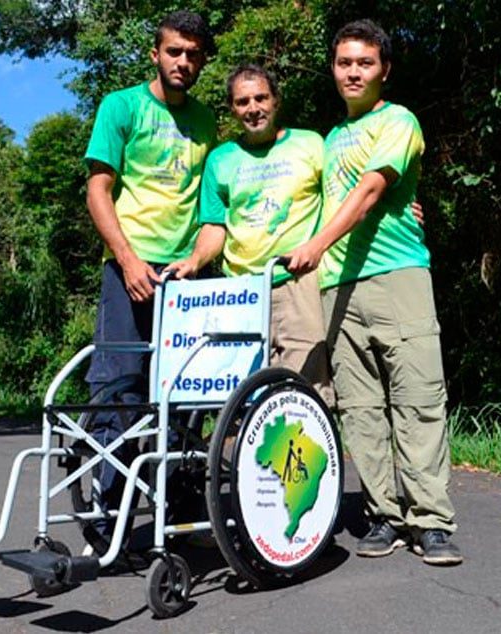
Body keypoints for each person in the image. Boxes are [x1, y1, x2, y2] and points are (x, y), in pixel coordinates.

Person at [286, 19, 462, 565]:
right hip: (337, 285)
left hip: (397, 275)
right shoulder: (330, 139)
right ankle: (385, 516)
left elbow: (369, 191)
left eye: (364, 62)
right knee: (361, 409)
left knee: (417, 399)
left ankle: (430, 521)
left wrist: (317, 243)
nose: (353, 72)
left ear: (384, 69)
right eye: (344, 63)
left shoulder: (398, 121)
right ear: (333, 70)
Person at [82, 10, 217, 545]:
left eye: (192, 54)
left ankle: (179, 510)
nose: (183, 62)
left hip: (186, 278)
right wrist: (129, 260)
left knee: (185, 393)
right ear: (155, 54)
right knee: (119, 388)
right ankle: (109, 511)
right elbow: (99, 190)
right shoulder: (122, 106)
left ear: (203, 60)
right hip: (130, 270)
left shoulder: (207, 121)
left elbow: (221, 198)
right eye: (174, 51)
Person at [166, 64, 333, 407]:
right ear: (232, 109)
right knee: (247, 392)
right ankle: (253, 459)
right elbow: (215, 227)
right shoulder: (220, 160)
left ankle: (307, 455)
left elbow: (344, 196)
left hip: (297, 280)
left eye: (261, 98)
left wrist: (399, 205)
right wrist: (195, 260)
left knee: (306, 384)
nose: (253, 108)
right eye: (243, 102)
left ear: (276, 101)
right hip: (241, 291)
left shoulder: (311, 144)